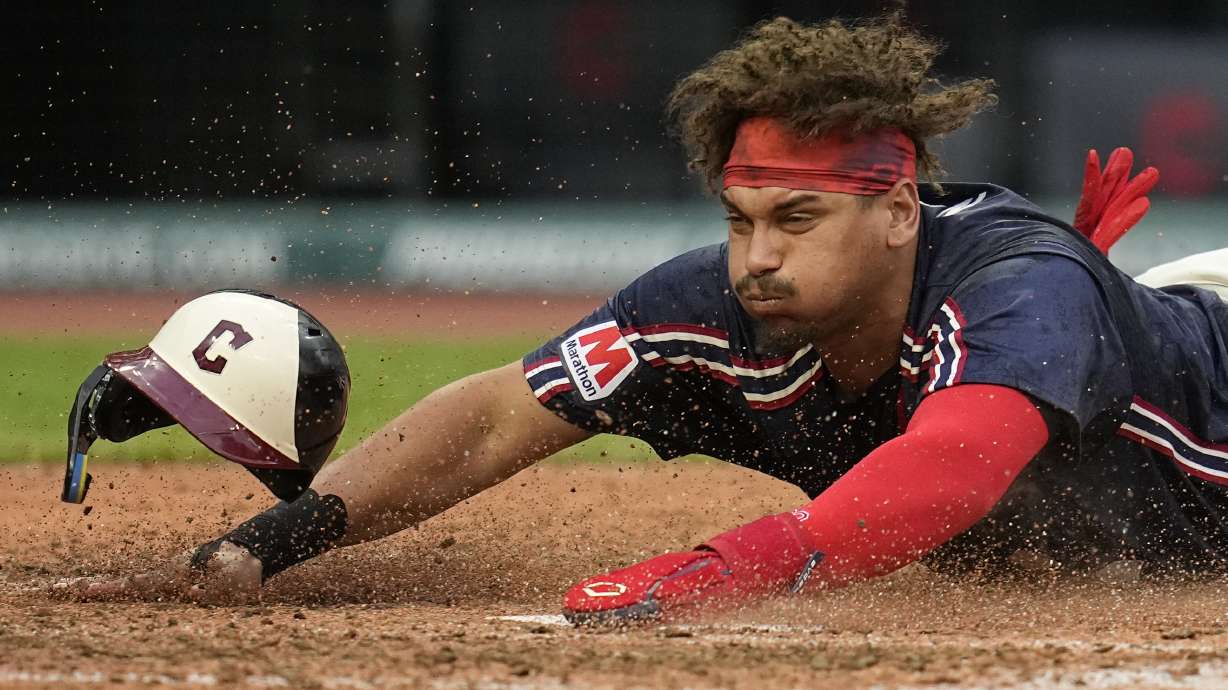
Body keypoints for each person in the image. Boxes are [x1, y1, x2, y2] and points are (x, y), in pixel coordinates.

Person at [69, 14, 1228, 623]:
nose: (757, 257)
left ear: (895, 206)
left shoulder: (1014, 286)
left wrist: (727, 567)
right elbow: (493, 417)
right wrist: (272, 543)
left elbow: (952, 469)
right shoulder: (715, 309)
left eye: (796, 218)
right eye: (739, 218)